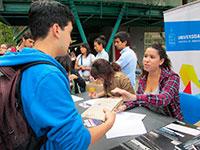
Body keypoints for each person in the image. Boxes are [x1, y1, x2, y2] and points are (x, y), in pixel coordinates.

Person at [0, 1, 115, 149]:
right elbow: (73, 143)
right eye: (69, 32)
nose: (70, 40)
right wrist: (109, 123)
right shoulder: (47, 75)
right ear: (56, 29)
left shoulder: (16, 61)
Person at [112, 43, 183, 120]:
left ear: (161, 61)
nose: (146, 60)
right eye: (145, 56)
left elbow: (164, 99)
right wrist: (124, 106)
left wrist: (134, 97)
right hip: (149, 115)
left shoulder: (172, 77)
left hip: (169, 120)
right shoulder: (144, 77)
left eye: (152, 57)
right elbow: (138, 99)